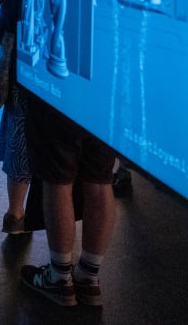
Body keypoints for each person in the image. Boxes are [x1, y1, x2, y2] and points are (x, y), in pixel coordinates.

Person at [19, 99, 117, 308]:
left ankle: (59, 278)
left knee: (58, 179)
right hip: (104, 92)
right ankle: (88, 277)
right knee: (100, 180)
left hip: (59, 89)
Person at [0, 0, 32, 234]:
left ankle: (15, 214)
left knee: (19, 149)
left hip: (21, 84)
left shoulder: (18, 0)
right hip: (60, 91)